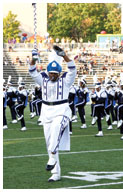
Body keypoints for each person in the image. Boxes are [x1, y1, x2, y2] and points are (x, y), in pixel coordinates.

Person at [29, 46, 76, 182]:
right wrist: (33, 59)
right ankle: (56, 173)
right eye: (50, 73)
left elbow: (72, 69)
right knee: (49, 142)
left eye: (55, 73)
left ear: (59, 73)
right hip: (46, 112)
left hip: (61, 110)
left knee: (56, 130)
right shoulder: (43, 80)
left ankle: (52, 157)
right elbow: (32, 71)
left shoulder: (65, 80)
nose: (52, 75)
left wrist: (64, 56)